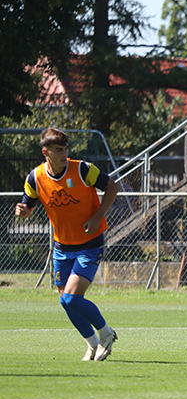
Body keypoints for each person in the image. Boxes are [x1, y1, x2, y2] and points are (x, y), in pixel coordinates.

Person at [14, 128, 120, 361]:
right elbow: (27, 206)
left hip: (90, 243)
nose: (65, 154)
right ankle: (92, 344)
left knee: (72, 297)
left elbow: (113, 187)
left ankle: (106, 334)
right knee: (65, 301)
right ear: (46, 152)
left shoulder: (82, 169)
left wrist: (96, 217)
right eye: (59, 150)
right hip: (62, 246)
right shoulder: (35, 178)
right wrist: (22, 211)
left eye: (66, 149)